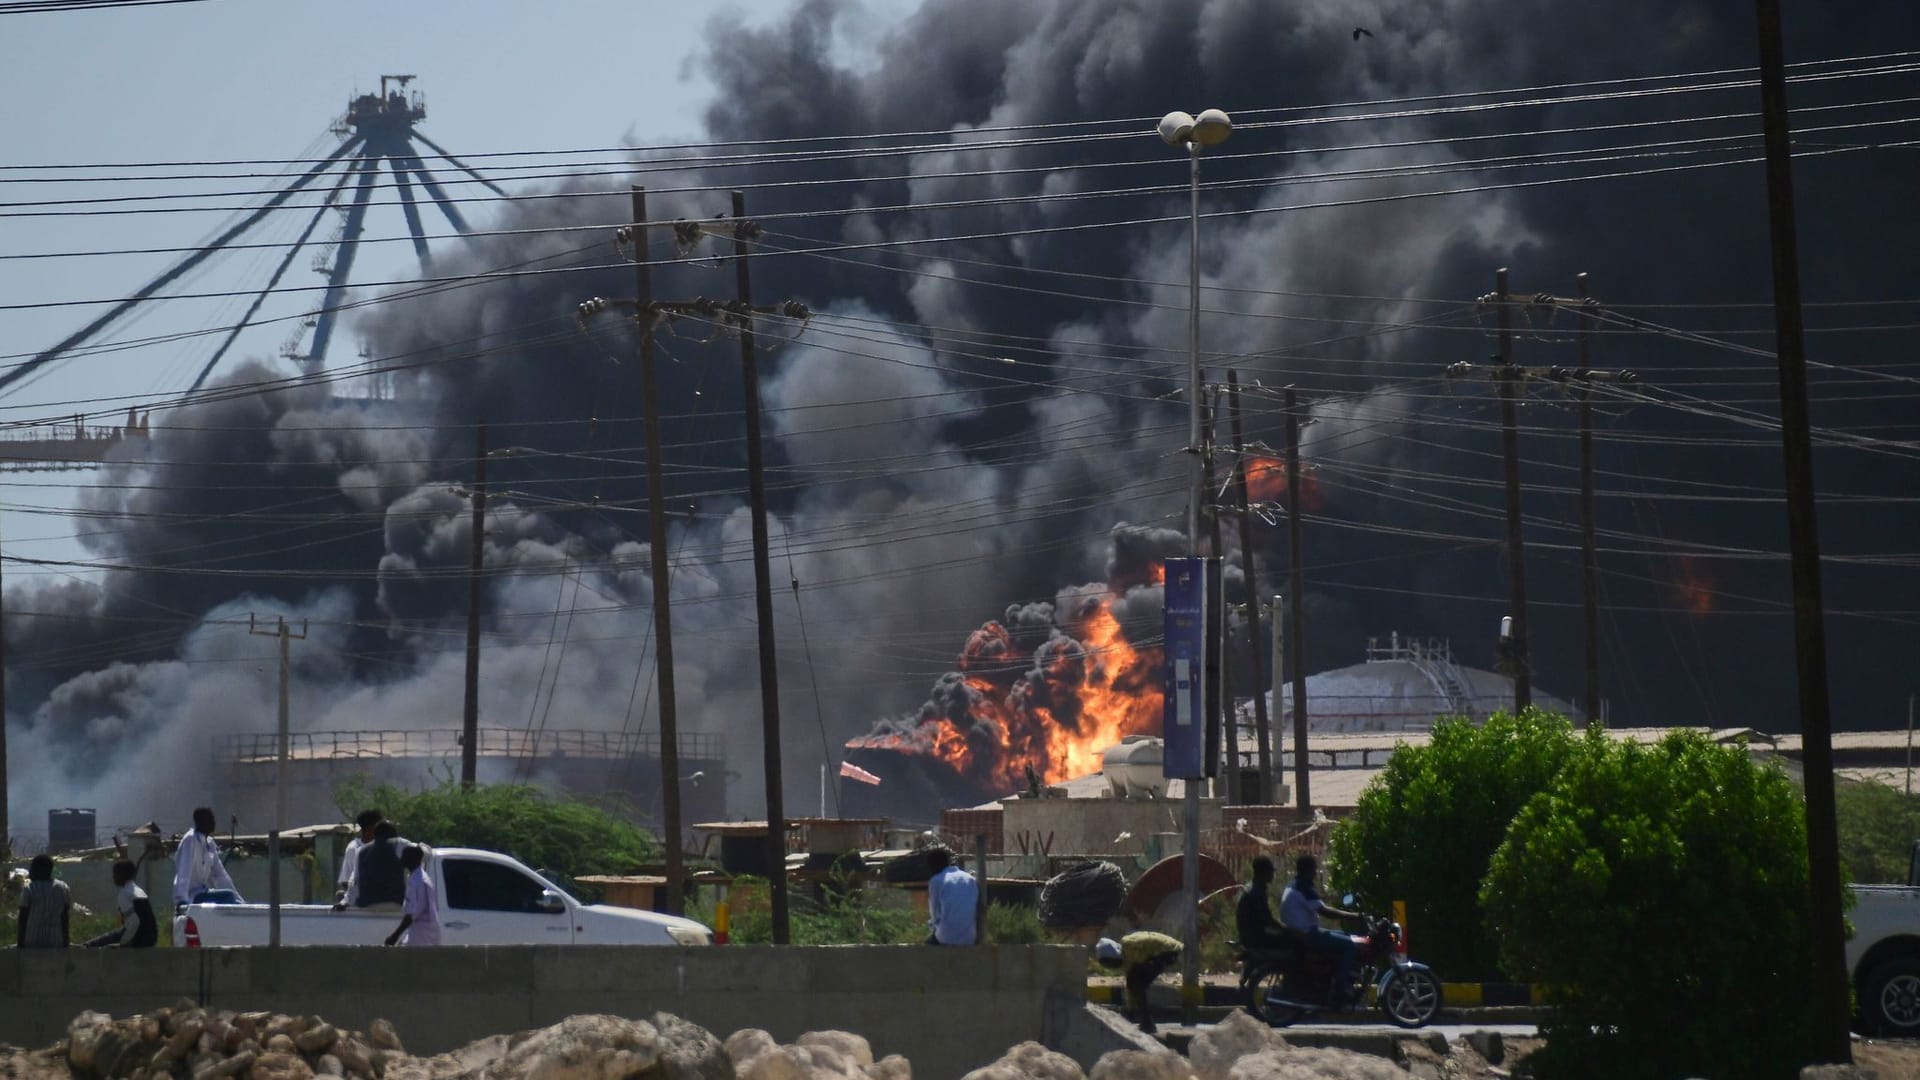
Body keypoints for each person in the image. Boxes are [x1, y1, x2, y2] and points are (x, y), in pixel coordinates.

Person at [1279, 854, 1362, 1006]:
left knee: (1344, 935)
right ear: (1309, 870)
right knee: (1349, 946)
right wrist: (1355, 916)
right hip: (1307, 935)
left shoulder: (1293, 885)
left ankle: (1332, 978)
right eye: (1314, 869)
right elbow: (1325, 911)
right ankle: (1340, 989)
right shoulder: (1304, 887)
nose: (1316, 873)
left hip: (1299, 932)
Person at [1095, 931, 1182, 1035]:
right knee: (1135, 983)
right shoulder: (1127, 956)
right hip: (1160, 954)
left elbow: (1134, 976)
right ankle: (1144, 1021)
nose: (1113, 967)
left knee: (1138, 985)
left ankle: (1147, 1023)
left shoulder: (1128, 945)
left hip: (1167, 951)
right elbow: (1130, 983)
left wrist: (1130, 1010)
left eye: (1111, 964)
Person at [173, 807, 242, 909]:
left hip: (203, 893)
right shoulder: (190, 840)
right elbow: (184, 871)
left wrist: (239, 900)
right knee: (228, 897)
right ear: (200, 822)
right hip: (192, 897)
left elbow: (221, 875)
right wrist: (181, 900)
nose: (213, 823)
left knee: (231, 898)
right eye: (210, 819)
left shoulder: (209, 844)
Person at [86, 860, 158, 948]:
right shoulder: (139, 890)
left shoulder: (124, 894)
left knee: (111, 938)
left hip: (139, 940)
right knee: (114, 934)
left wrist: (123, 943)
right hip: (150, 939)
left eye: (115, 873)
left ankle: (86, 946)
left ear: (123, 874)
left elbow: (134, 922)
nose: (113, 877)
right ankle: (87, 945)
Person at [1235, 855, 1294, 951]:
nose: (1273, 874)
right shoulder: (1257, 891)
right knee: (1293, 941)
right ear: (1265, 872)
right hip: (1255, 938)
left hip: (1247, 935)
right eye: (1271, 871)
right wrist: (1287, 929)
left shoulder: (1250, 886)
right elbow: (1267, 919)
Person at [385, 845, 440, 947]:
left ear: (413, 859)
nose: (402, 859)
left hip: (422, 934)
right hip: (422, 931)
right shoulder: (419, 877)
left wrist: (394, 936)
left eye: (405, 856)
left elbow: (411, 916)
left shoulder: (417, 881)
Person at [924, 847, 979, 945]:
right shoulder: (970, 879)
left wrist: (932, 927)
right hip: (970, 937)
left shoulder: (936, 880)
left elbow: (934, 913)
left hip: (946, 937)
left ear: (932, 865)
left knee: (928, 945)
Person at [348, 821, 407, 910]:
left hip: (368, 905)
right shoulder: (399, 845)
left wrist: (347, 902)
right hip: (393, 904)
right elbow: (423, 853)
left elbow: (355, 882)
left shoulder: (361, 851)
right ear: (394, 835)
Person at [17, 854, 72, 949]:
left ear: (38, 870)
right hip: (56, 942)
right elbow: (65, 918)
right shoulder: (63, 887)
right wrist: (66, 942)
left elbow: (23, 919)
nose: (30, 871)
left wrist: (20, 944)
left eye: (33, 868)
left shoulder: (29, 888)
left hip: (32, 942)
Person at [334, 809, 384, 907]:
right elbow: (346, 881)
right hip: (359, 902)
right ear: (369, 829)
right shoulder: (354, 848)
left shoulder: (382, 846)